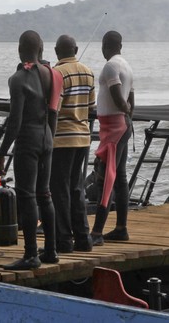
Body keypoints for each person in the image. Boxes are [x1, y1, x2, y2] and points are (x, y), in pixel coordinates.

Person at [0, 30, 62, 270]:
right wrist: (50, 141)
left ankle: (31, 254)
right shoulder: (53, 74)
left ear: (19, 49)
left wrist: (3, 152)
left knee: (27, 196)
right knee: (45, 194)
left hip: (28, 139)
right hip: (47, 137)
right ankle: (52, 251)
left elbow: (15, 121)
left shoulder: (18, 79)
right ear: (41, 49)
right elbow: (53, 112)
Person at [51, 35, 96, 253]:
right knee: (76, 188)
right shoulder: (88, 71)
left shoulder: (57, 73)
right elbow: (91, 106)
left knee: (59, 189)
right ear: (76, 49)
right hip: (83, 137)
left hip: (62, 138)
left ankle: (64, 241)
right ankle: (83, 239)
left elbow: (54, 109)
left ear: (56, 51)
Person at [90, 31, 135, 245]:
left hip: (114, 129)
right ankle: (121, 228)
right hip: (121, 126)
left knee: (105, 179)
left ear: (105, 45)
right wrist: (128, 114)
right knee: (120, 178)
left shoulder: (110, 66)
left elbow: (118, 97)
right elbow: (131, 96)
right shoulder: (126, 65)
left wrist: (123, 111)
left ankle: (97, 233)